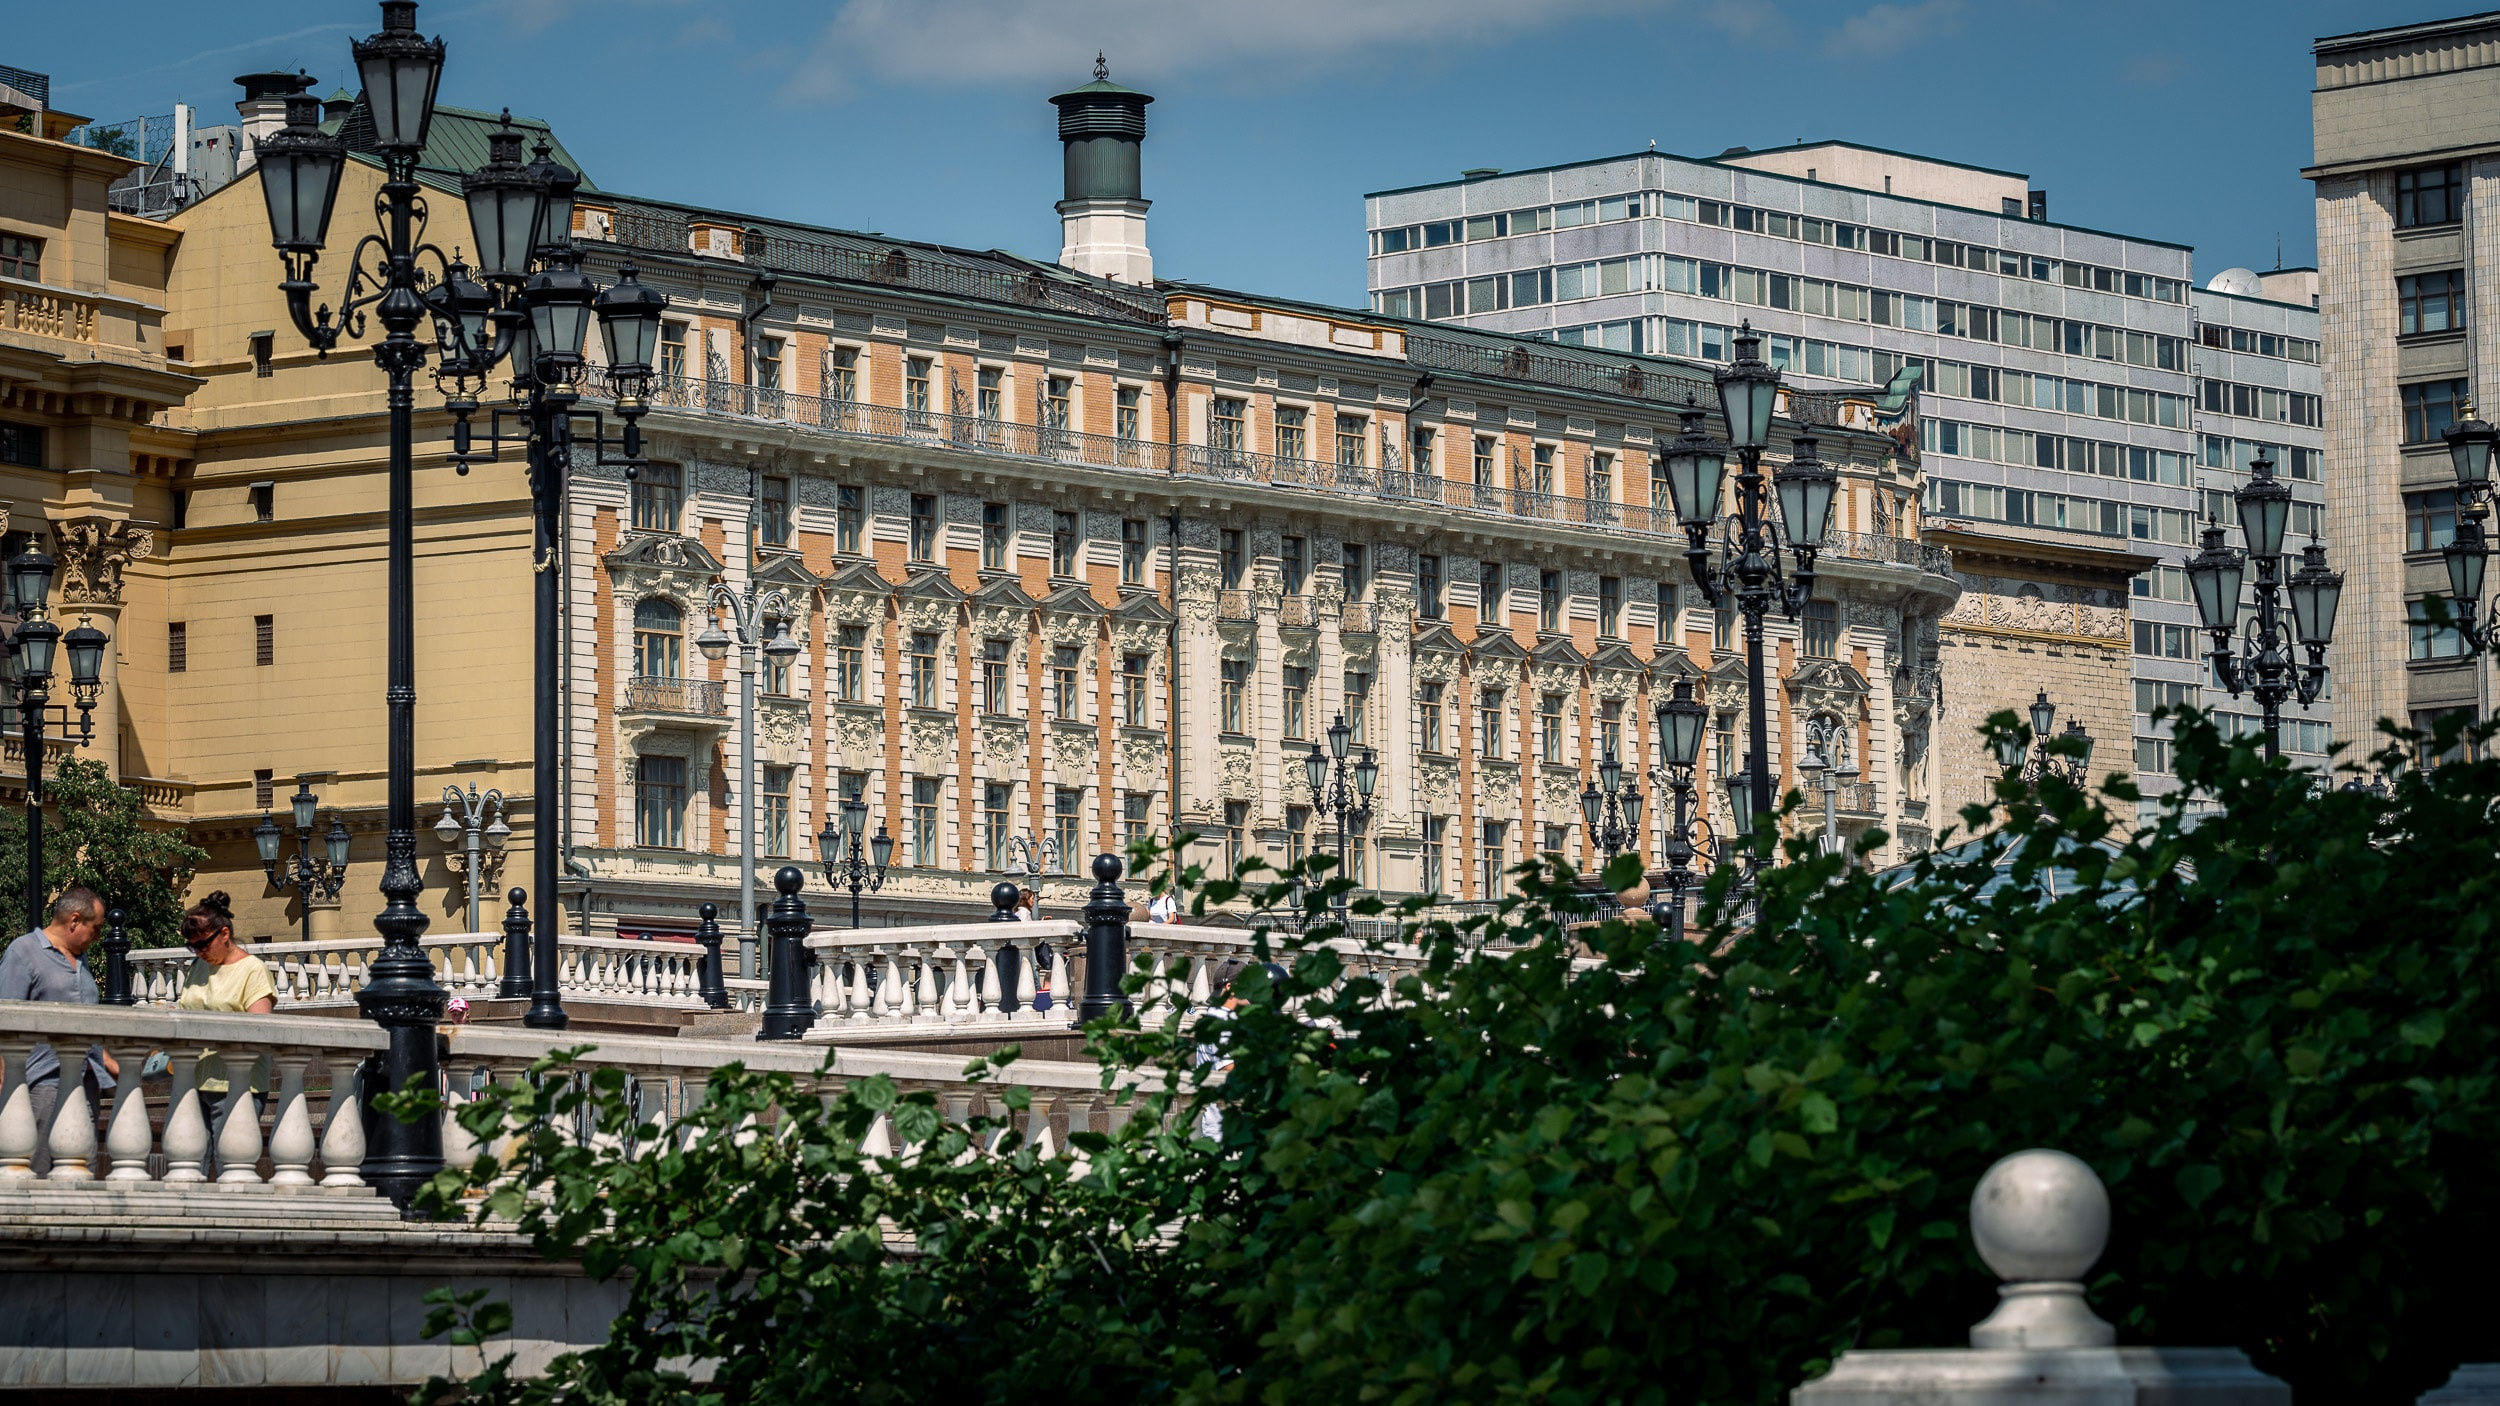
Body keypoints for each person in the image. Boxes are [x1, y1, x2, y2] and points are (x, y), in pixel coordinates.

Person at [0, 887, 118, 1175]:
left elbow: (82, 1019)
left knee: (81, 1170)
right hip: (40, 1083)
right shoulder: (23, 952)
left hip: (86, 1079)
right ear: (74, 921)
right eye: (96, 929)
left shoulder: (82, 960)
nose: (98, 937)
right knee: (35, 1171)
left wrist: (106, 1057)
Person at [173, 892, 276, 1161]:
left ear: (224, 934)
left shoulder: (252, 970)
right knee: (189, 1166)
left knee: (231, 1166)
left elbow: (260, 1031)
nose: (198, 952)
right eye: (192, 947)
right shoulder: (199, 966)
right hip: (194, 1082)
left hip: (236, 1085)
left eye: (203, 944)